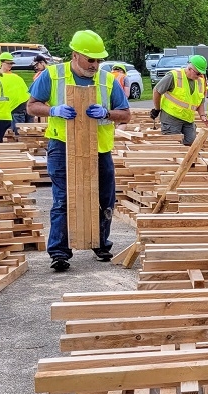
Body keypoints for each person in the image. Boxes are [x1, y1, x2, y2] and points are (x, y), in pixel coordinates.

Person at [26, 29, 131, 271]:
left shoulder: (107, 80)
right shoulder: (53, 75)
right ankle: (60, 252)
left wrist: (106, 113)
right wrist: (53, 110)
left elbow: (126, 114)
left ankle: (101, 243)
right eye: (90, 59)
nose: (95, 64)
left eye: (99, 60)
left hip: (99, 149)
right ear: (75, 55)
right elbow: (32, 107)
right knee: (63, 199)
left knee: (104, 198)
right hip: (62, 146)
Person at [149, 54, 208, 145]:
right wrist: (157, 109)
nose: (199, 76)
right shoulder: (174, 76)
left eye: (201, 73)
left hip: (188, 119)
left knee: (191, 145)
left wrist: (202, 115)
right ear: (189, 68)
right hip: (171, 117)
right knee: (174, 146)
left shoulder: (200, 81)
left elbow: (200, 100)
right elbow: (157, 91)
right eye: (197, 73)